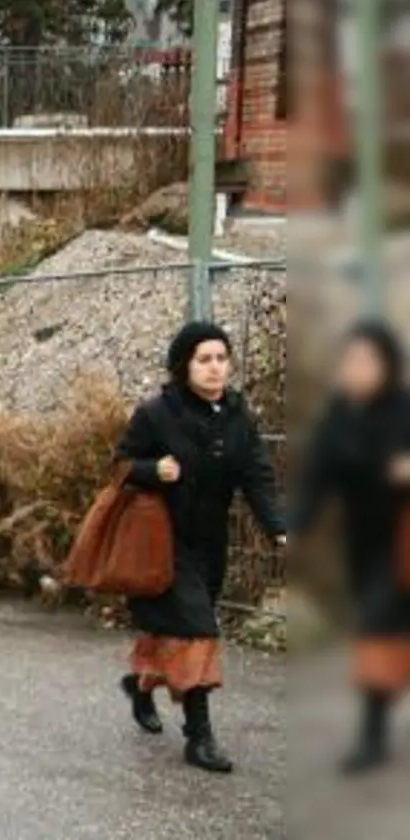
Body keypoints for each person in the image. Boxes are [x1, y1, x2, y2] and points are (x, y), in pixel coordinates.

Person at [113, 321, 285, 773]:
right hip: (163, 540)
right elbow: (122, 466)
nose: (214, 368)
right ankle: (200, 736)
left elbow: (257, 475)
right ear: (184, 365)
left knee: (175, 629)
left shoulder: (237, 415)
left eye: (221, 358)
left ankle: (141, 684)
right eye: (204, 359)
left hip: (210, 542)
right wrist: (155, 470)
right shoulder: (157, 414)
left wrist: (278, 527)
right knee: (198, 632)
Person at [289, 321, 410, 775]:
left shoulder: (404, 409)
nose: (356, 368)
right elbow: (319, 474)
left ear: (387, 365)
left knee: (379, 628)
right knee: (378, 631)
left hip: (404, 539)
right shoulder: (340, 415)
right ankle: (375, 728)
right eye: (350, 359)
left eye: (366, 360)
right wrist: (296, 523)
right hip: (364, 542)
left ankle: (372, 736)